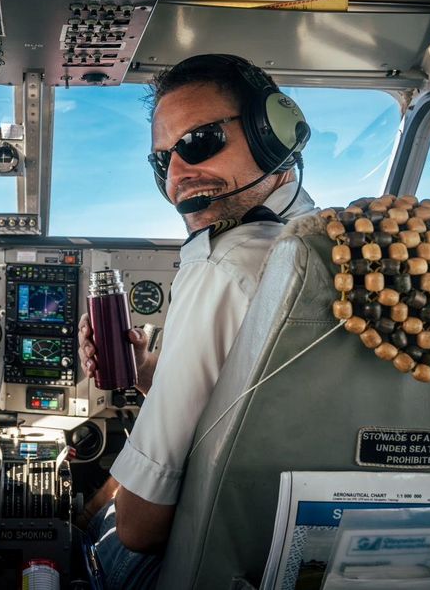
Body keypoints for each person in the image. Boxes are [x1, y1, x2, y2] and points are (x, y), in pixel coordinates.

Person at [76, 54, 318, 588]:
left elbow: (141, 528)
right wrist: (142, 370)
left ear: (273, 134)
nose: (178, 177)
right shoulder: (320, 241)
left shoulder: (223, 264)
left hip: (224, 563)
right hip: (299, 549)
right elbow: (240, 393)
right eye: (162, 161)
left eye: (199, 141)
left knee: (88, 529)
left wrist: (106, 506)